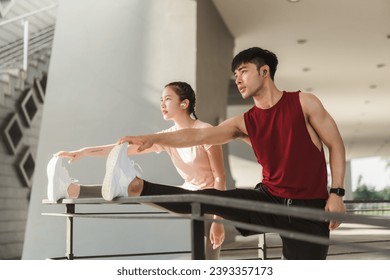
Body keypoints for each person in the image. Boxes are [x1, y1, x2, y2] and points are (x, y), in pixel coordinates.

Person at [102, 47, 347, 260]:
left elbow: (336, 145)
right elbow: (198, 135)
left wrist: (336, 193)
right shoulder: (244, 122)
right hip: (269, 200)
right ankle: (137, 186)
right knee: (205, 198)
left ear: (265, 72)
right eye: (235, 75)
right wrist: (153, 138)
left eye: (243, 71)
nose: (238, 79)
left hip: (309, 210)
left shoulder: (304, 102)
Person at [47, 81, 226, 259]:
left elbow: (220, 177)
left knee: (210, 261)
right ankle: (72, 190)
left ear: (184, 104)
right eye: (161, 99)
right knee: (128, 188)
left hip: (211, 201)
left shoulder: (206, 131)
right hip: (185, 194)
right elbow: (122, 149)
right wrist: (84, 152)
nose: (162, 104)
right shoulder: (166, 137)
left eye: (168, 99)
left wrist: (218, 221)